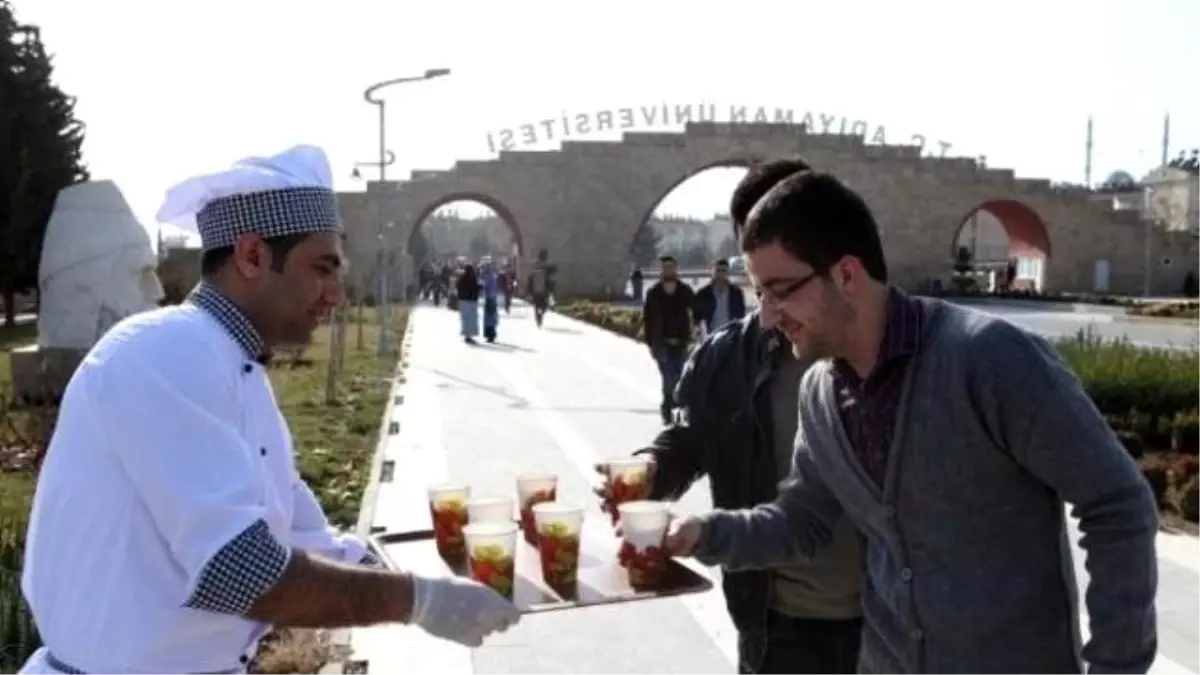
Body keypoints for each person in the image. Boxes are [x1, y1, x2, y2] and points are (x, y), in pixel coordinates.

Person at [17, 146, 520, 674]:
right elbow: (240, 572)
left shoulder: (236, 369)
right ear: (252, 256)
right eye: (323, 269)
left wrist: (467, 568)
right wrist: (420, 602)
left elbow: (306, 540)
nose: (336, 295)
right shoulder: (165, 352)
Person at [665, 170, 1159, 674]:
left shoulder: (988, 360)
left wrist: (1115, 666)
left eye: (780, 290)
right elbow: (806, 518)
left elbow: (1118, 504)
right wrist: (706, 533)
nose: (767, 316)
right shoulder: (821, 394)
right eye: (758, 294)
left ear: (847, 275)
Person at [598, 159, 863, 675]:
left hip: (889, 620)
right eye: (761, 279)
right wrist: (651, 470)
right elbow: (693, 439)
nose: (771, 302)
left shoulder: (883, 352)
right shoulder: (728, 357)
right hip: (774, 622)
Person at [641, 255, 696, 425]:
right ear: (661, 270)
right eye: (665, 267)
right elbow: (647, 318)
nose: (668, 270)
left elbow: (697, 309)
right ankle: (668, 407)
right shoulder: (654, 293)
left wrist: (695, 332)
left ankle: (670, 405)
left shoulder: (684, 291)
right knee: (669, 376)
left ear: (676, 269)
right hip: (661, 343)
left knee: (678, 376)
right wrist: (650, 342)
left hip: (680, 342)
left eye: (671, 267)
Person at [693, 257, 747, 337]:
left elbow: (741, 316)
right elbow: (696, 317)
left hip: (730, 335)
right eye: (718, 270)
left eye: (723, 270)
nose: (720, 274)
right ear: (712, 271)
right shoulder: (703, 293)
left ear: (728, 272)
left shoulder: (736, 293)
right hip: (710, 335)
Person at [457, 263, 482, 343]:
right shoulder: (472, 278)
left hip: (463, 301)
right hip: (471, 301)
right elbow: (475, 288)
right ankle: (469, 336)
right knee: (471, 319)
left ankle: (467, 335)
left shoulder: (461, 278)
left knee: (465, 319)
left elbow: (458, 287)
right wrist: (480, 287)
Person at [527, 253, 552, 328]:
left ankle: (539, 318)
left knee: (538, 306)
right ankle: (539, 318)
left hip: (538, 291)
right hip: (541, 291)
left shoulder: (536, 267)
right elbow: (548, 280)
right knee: (543, 306)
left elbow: (530, 280)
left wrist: (529, 291)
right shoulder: (544, 268)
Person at [480, 257, 501, 343]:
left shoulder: (486, 274)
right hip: (493, 296)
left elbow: (482, 283)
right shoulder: (492, 273)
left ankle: (490, 335)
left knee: (489, 316)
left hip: (489, 297)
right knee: (492, 315)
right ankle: (492, 333)